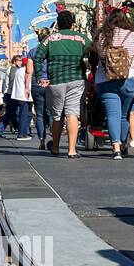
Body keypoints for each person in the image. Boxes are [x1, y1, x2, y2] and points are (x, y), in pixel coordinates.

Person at [33, 10, 90, 157]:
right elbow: (93, 52)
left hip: (56, 81)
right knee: (72, 114)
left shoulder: (50, 39)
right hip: (76, 80)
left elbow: (38, 57)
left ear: (58, 23)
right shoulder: (81, 38)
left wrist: (40, 76)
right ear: (72, 23)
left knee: (57, 115)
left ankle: (56, 147)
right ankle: (71, 150)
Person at [94, 9, 134, 161]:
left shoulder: (102, 37)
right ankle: (123, 145)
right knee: (124, 115)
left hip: (106, 79)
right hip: (129, 79)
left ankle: (116, 149)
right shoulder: (132, 35)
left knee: (112, 114)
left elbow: (99, 55)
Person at [5, 51, 33, 140]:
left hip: (17, 95)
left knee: (22, 114)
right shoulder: (26, 71)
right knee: (25, 115)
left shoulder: (18, 71)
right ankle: (22, 134)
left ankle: (23, 132)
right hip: (24, 96)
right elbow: (28, 84)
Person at [30, 28, 51, 146]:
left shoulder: (32, 51)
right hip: (50, 83)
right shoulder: (51, 51)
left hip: (37, 83)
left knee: (39, 113)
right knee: (52, 112)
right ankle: (54, 136)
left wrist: (26, 88)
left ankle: (42, 140)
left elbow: (29, 70)